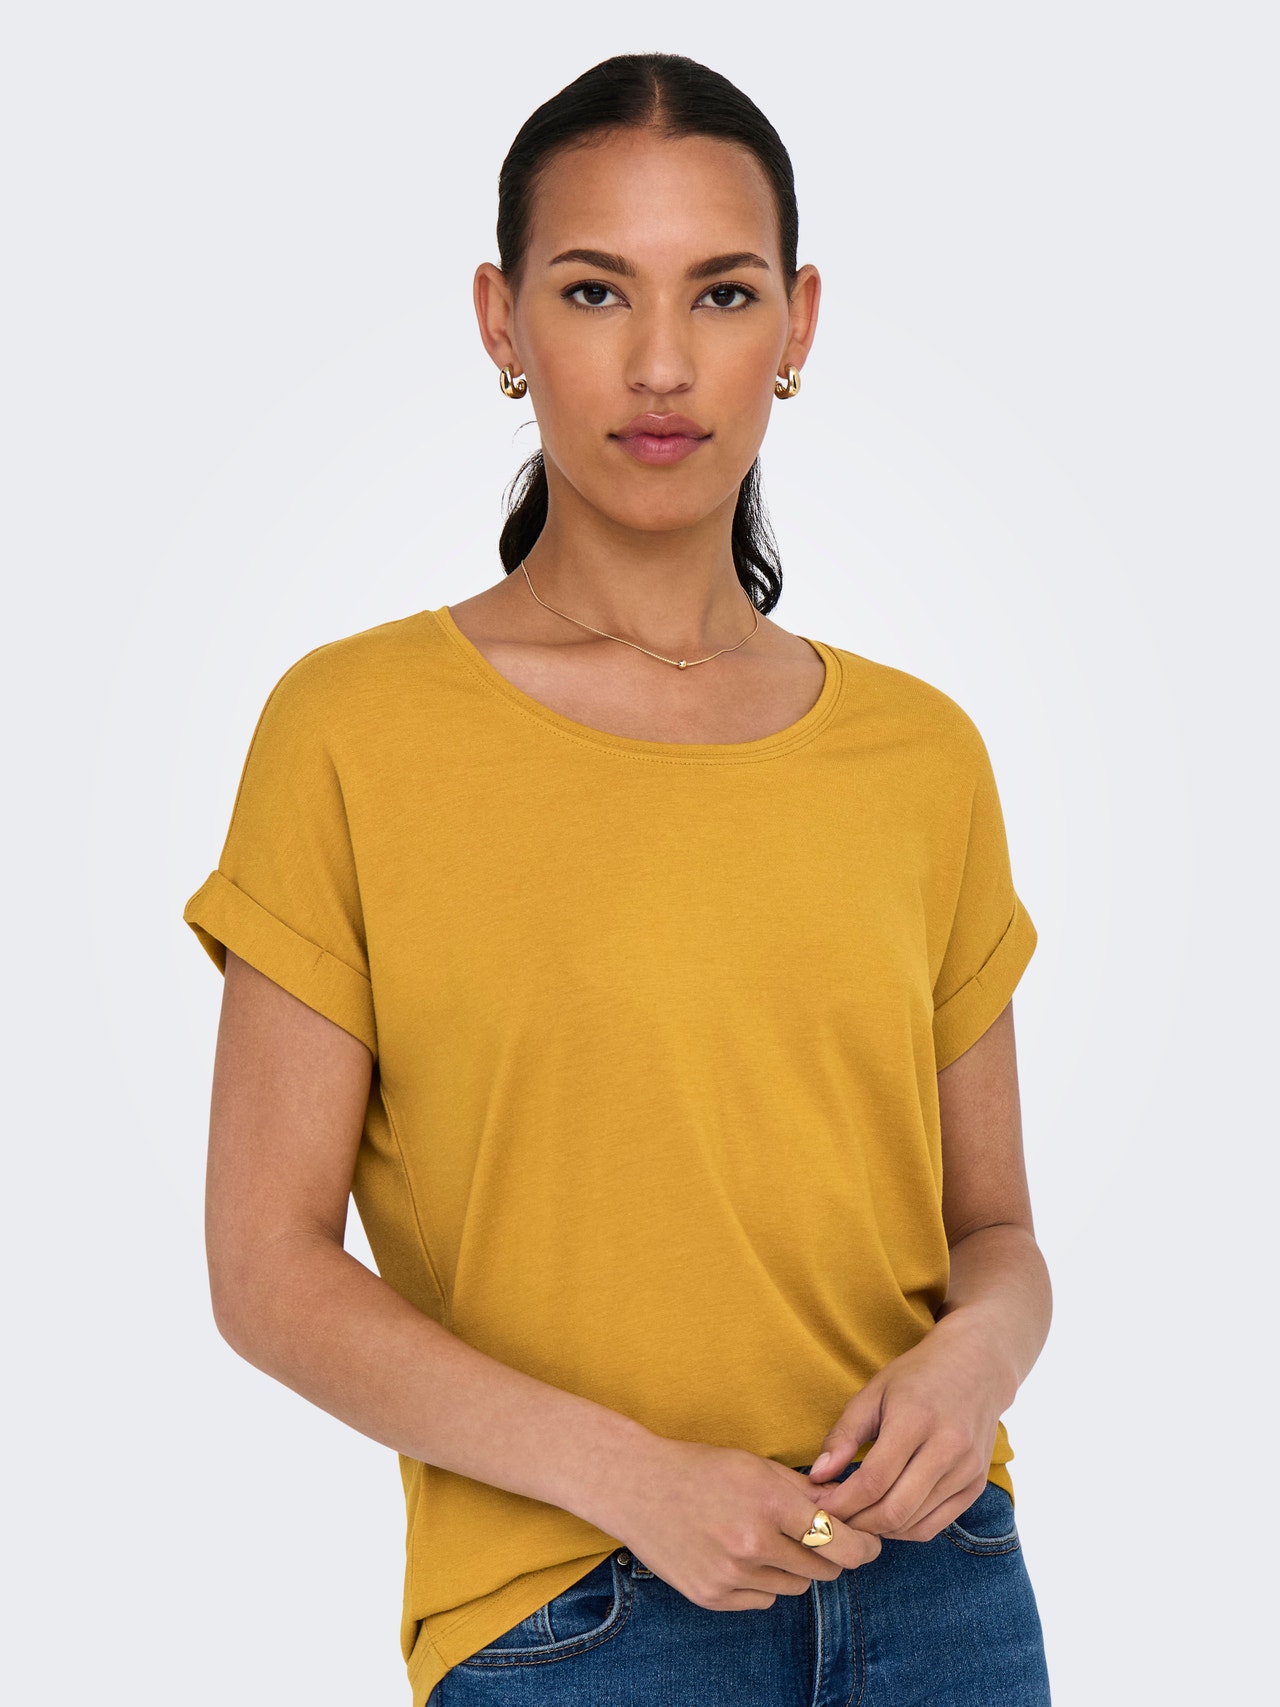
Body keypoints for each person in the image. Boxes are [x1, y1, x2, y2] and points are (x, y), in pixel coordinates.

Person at [184, 51, 1053, 1707]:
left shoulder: (923, 755)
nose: (661, 362)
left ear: (797, 324)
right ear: (501, 323)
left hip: (943, 1595)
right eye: (595, 291)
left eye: (721, 293)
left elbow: (997, 1231)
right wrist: (632, 1480)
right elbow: (266, 1270)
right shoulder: (351, 731)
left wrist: (973, 1367)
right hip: (580, 1620)